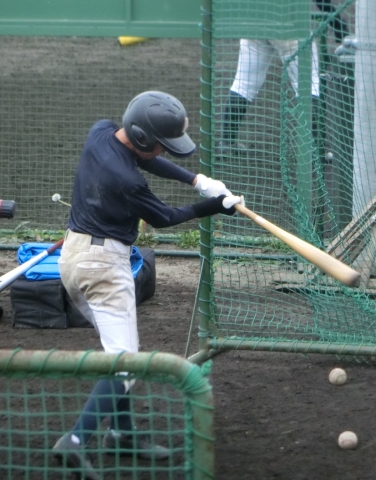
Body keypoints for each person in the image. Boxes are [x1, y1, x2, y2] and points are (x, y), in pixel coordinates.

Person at [51, 90, 243, 480]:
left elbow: (147, 158)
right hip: (102, 268)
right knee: (125, 362)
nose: (163, 151)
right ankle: (75, 440)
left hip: (74, 259)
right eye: (160, 144)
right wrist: (216, 205)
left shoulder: (101, 132)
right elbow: (165, 218)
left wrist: (197, 180)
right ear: (141, 136)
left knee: (118, 355)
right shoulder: (127, 182)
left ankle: (121, 434)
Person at [217, 0, 349, 155]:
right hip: (289, 24)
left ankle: (227, 142)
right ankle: (314, 152)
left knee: (244, 84)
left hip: (254, 22)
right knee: (309, 84)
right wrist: (338, 24)